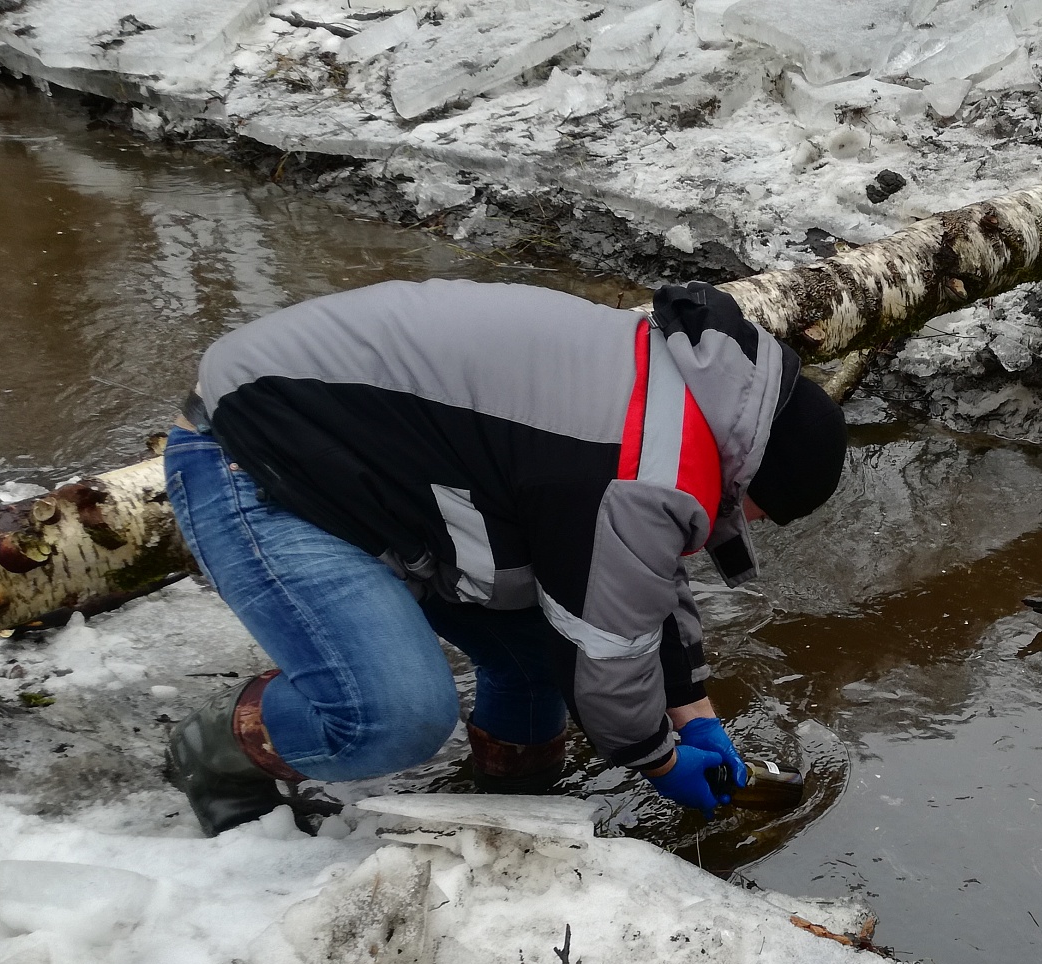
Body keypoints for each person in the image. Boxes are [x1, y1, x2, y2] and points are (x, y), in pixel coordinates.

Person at [160, 278, 847, 836]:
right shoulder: (647, 463)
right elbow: (606, 644)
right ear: (756, 471)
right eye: (758, 511)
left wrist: (690, 706)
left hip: (368, 468)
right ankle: (217, 753)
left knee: (534, 661)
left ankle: (511, 812)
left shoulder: (686, 399)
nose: (742, 523)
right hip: (253, 457)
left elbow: (636, 582)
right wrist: (658, 762)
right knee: (396, 717)